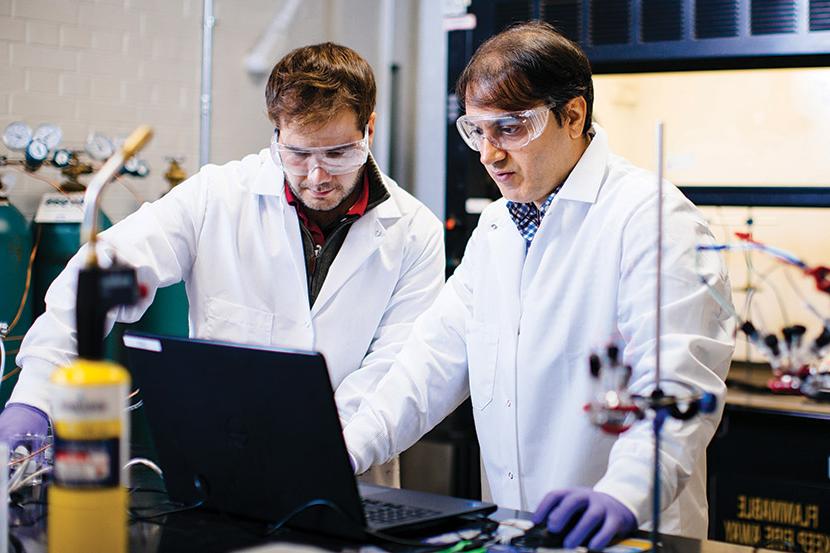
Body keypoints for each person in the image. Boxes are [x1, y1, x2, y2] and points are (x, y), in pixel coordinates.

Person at [342, 21, 735, 548]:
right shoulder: (499, 227)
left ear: (572, 115)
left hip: (624, 532)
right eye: (477, 130)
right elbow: (427, 366)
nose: (488, 153)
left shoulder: (653, 219)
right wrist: (340, 453)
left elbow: (678, 384)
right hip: (517, 533)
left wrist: (623, 493)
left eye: (509, 128)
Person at [1, 43, 445, 486]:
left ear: (369, 128)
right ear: (276, 133)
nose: (317, 177)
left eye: (337, 154)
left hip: (352, 471)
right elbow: (96, 280)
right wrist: (35, 394)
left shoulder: (414, 232)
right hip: (222, 467)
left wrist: (328, 454)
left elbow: (395, 372)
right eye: (298, 154)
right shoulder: (216, 197)